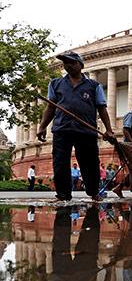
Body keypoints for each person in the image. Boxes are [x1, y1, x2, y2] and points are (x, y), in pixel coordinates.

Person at [37, 51, 115, 202]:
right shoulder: (55, 84)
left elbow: (102, 108)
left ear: (81, 65)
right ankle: (63, 195)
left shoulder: (93, 86)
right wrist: (42, 126)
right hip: (62, 129)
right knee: (60, 162)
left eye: (72, 62)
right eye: (66, 63)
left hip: (86, 130)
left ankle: (93, 192)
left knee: (90, 163)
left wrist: (109, 130)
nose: (68, 66)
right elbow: (51, 108)